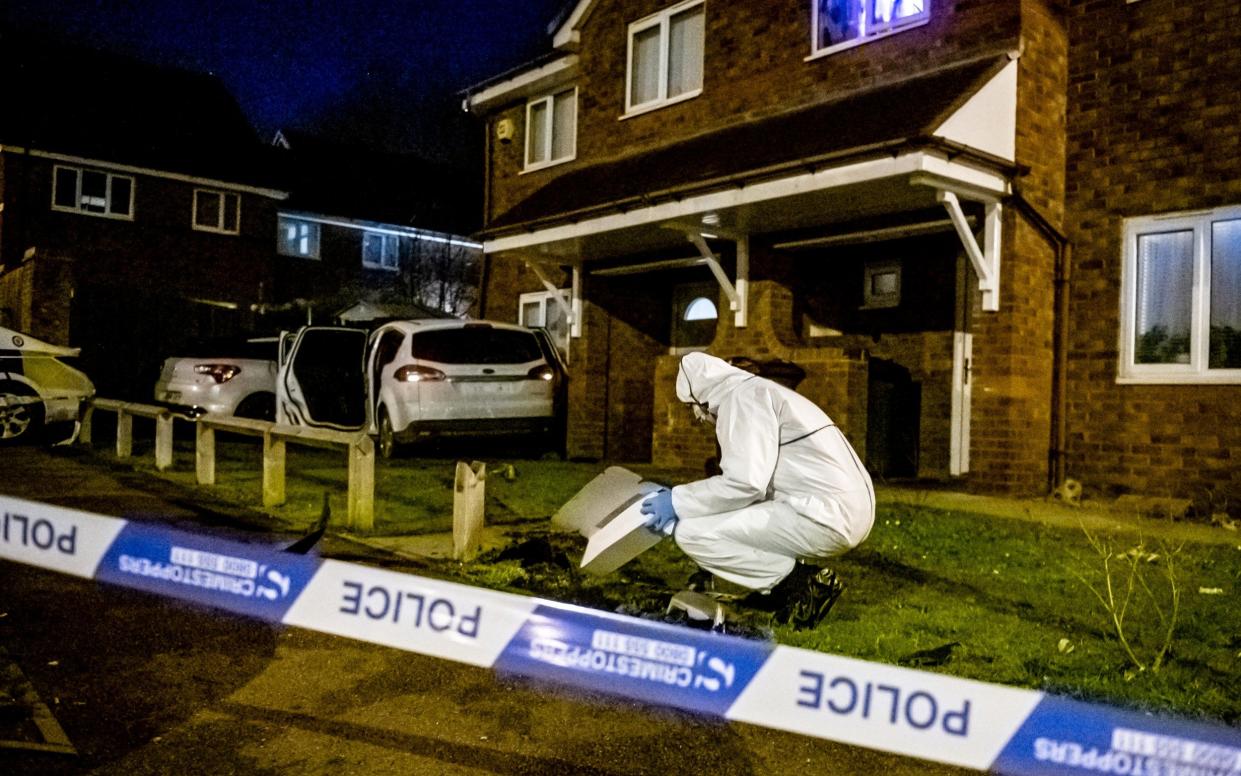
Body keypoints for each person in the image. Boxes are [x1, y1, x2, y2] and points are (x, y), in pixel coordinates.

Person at [640, 352, 875, 630]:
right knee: (737, 516)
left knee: (691, 533)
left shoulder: (741, 400)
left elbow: (745, 483)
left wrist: (677, 501)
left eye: (696, 408)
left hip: (827, 516)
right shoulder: (762, 391)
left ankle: (801, 585)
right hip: (843, 508)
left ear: (702, 399)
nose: (701, 417)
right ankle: (781, 591)